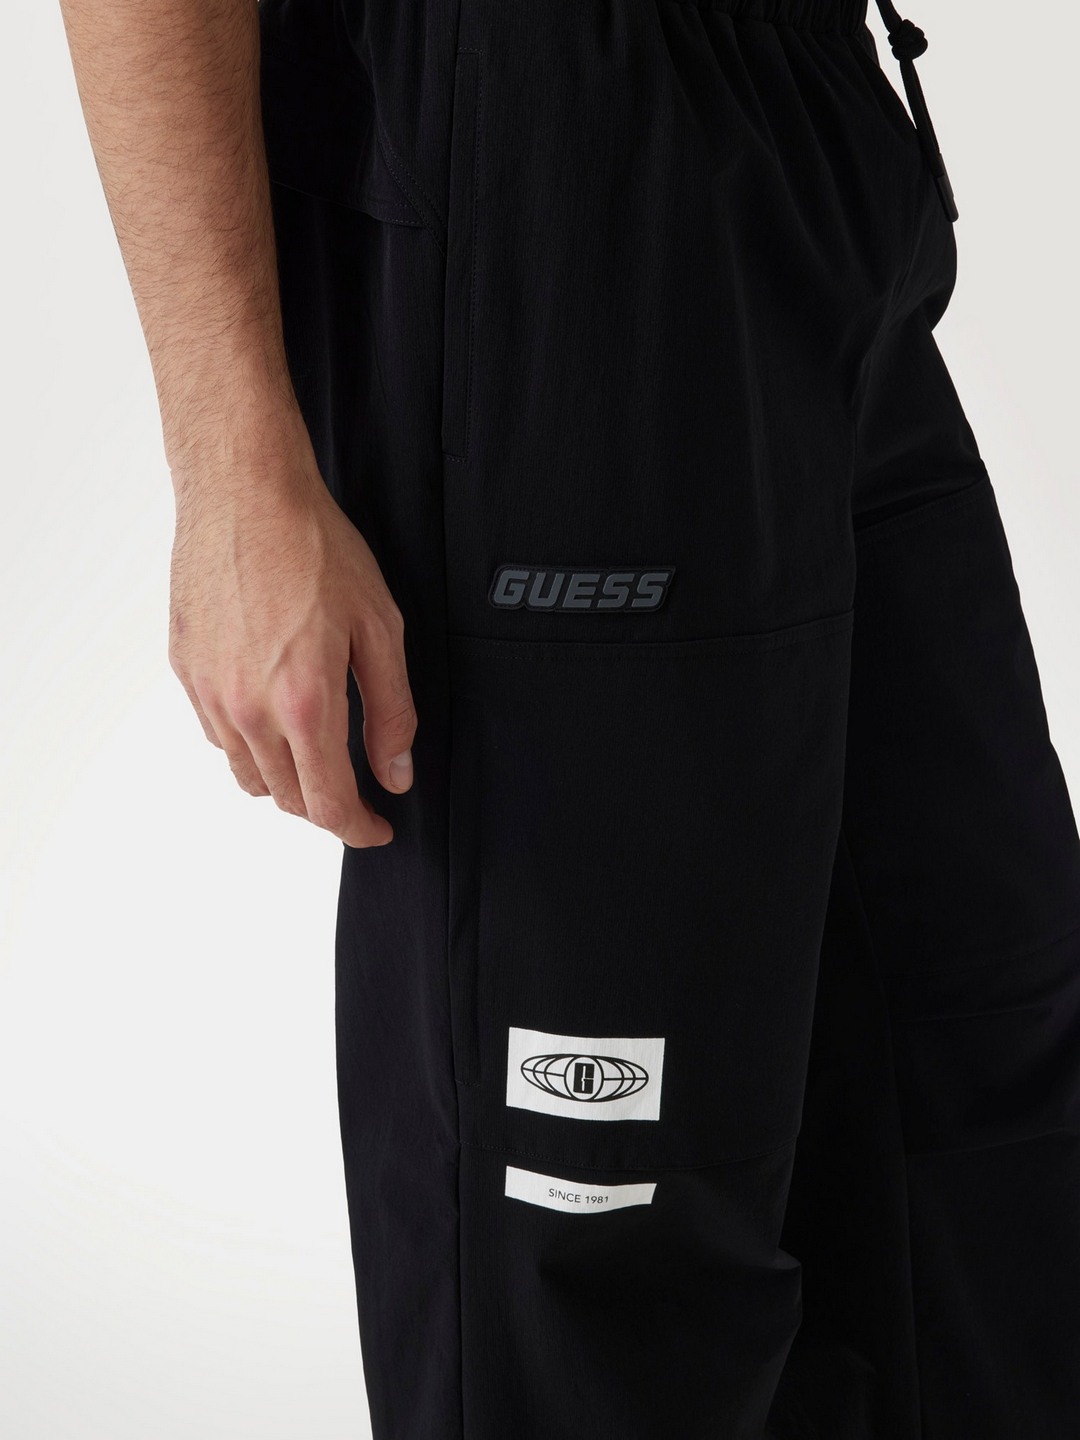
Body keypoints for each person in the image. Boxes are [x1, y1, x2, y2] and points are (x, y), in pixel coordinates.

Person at [58, 0, 1080, 1434]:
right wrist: (233, 463)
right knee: (602, 1230)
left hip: (806, 120)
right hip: (545, 172)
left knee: (967, 1091)